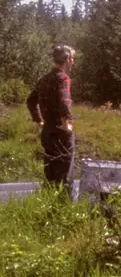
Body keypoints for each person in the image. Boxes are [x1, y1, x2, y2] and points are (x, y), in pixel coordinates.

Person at [26, 44, 76, 189]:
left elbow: (30, 100)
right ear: (67, 59)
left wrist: (39, 120)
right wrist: (67, 123)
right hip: (61, 132)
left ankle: (48, 205)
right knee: (64, 178)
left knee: (50, 174)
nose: (73, 61)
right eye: (72, 58)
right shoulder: (63, 79)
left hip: (47, 132)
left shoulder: (44, 79)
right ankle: (62, 208)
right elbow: (63, 101)